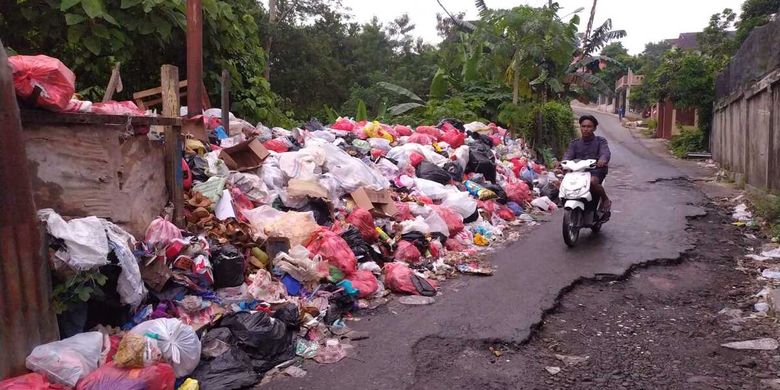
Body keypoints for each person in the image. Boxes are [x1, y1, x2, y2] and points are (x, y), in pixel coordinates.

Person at [561, 114, 612, 212]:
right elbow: (568, 155)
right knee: (565, 182)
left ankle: (605, 199)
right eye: (583, 126)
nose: (585, 129)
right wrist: (563, 163)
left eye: (589, 127)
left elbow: (605, 153)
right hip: (578, 171)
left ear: (594, 128)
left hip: (596, 170)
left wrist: (602, 160)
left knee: (592, 182)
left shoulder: (600, 141)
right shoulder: (574, 143)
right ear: (580, 127)